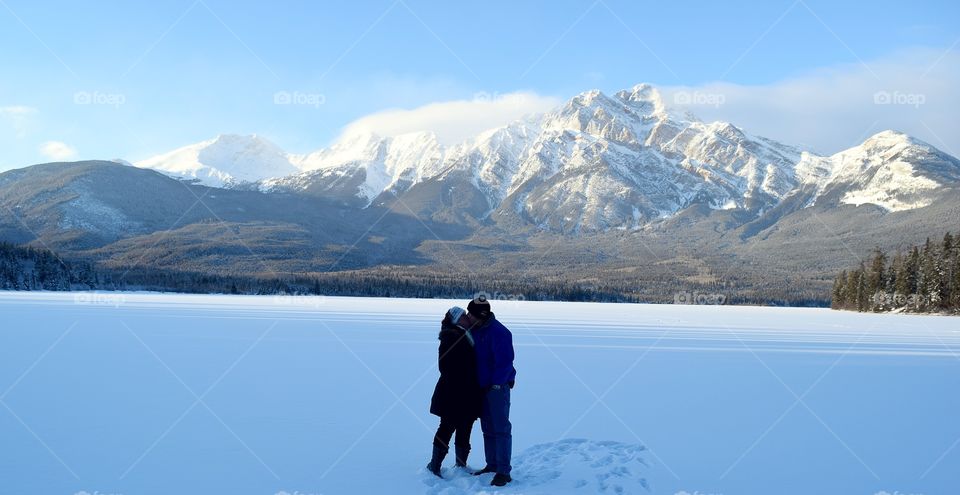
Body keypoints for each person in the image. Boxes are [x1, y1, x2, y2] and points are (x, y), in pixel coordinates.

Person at [426, 306, 483, 478]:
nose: (467, 318)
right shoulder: (451, 337)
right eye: (464, 316)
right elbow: (444, 366)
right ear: (457, 320)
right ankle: (434, 465)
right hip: (452, 393)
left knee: (465, 426)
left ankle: (461, 464)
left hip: (467, 392)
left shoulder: (467, 334)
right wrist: (465, 377)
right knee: (447, 427)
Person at [467, 295, 517, 487]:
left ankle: (504, 471)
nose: (468, 317)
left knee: (501, 429)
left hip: (497, 388)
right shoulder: (477, 329)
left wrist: (496, 384)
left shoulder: (499, 333)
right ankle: (492, 464)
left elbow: (504, 362)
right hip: (482, 387)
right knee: (487, 428)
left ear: (481, 315)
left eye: (471, 314)